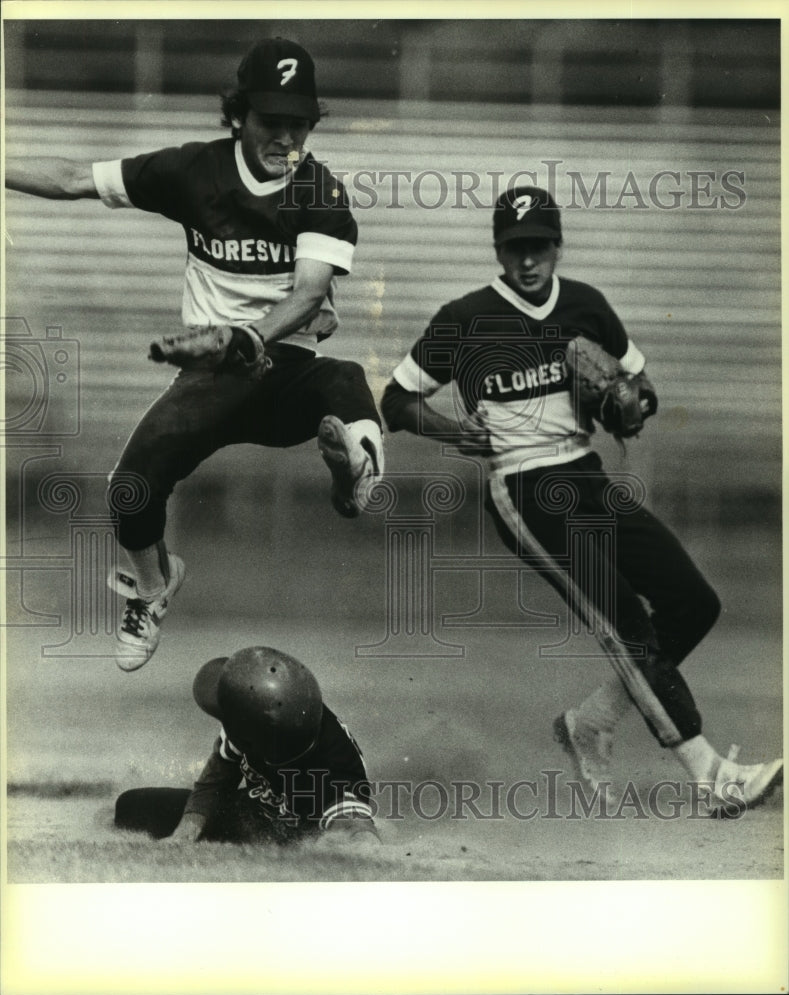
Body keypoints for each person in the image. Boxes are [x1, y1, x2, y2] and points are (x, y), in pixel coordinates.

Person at [380, 184, 783, 816]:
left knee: (694, 601)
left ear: (557, 245)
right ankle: (712, 776)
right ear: (498, 249)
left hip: (587, 477)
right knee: (626, 622)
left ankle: (590, 723)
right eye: (515, 248)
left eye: (539, 245)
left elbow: (638, 383)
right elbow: (396, 401)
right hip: (522, 489)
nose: (528, 260)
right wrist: (456, 430)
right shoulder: (465, 318)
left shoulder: (587, 305)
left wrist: (631, 401)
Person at [5, 37, 384, 672]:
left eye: (299, 125)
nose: (287, 139)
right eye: (272, 122)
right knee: (129, 489)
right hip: (209, 379)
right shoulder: (191, 172)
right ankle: (152, 588)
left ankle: (357, 474)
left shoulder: (321, 192)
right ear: (238, 115)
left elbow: (311, 292)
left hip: (281, 369)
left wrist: (252, 337)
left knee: (342, 378)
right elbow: (73, 178)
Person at [114, 645, 379, 845]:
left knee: (316, 836)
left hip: (295, 824)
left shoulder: (334, 766)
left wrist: (357, 839)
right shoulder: (265, 716)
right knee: (129, 806)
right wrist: (184, 834)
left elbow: (358, 828)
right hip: (257, 810)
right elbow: (213, 784)